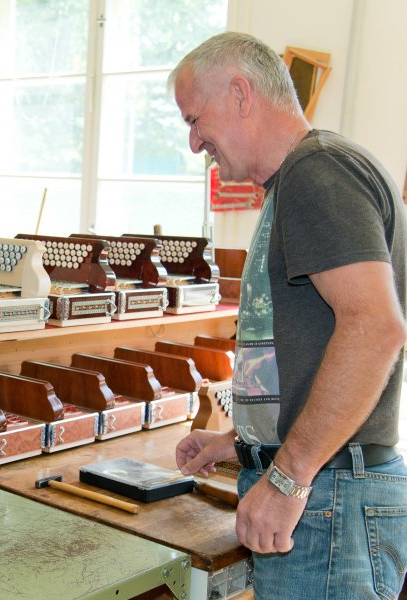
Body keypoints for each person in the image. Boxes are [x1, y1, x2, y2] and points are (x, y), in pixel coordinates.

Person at [169, 32, 407, 599]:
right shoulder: (301, 180)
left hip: (327, 498)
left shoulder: (316, 173)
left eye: (195, 120)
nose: (195, 142)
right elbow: (311, 351)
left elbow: (375, 329)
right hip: (325, 492)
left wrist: (287, 479)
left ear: (240, 94)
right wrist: (242, 441)